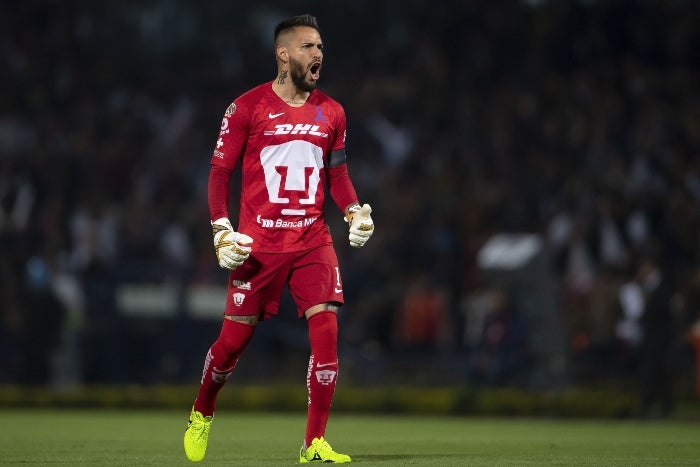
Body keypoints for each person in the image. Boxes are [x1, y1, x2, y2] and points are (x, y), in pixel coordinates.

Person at [183, 13, 374, 463]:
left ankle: (313, 444)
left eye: (321, 48)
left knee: (326, 328)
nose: (318, 55)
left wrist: (353, 212)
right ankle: (202, 409)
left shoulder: (333, 111)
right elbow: (219, 173)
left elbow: (338, 174)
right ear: (283, 54)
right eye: (309, 47)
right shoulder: (246, 107)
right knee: (232, 344)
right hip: (259, 244)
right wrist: (220, 228)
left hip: (312, 240)